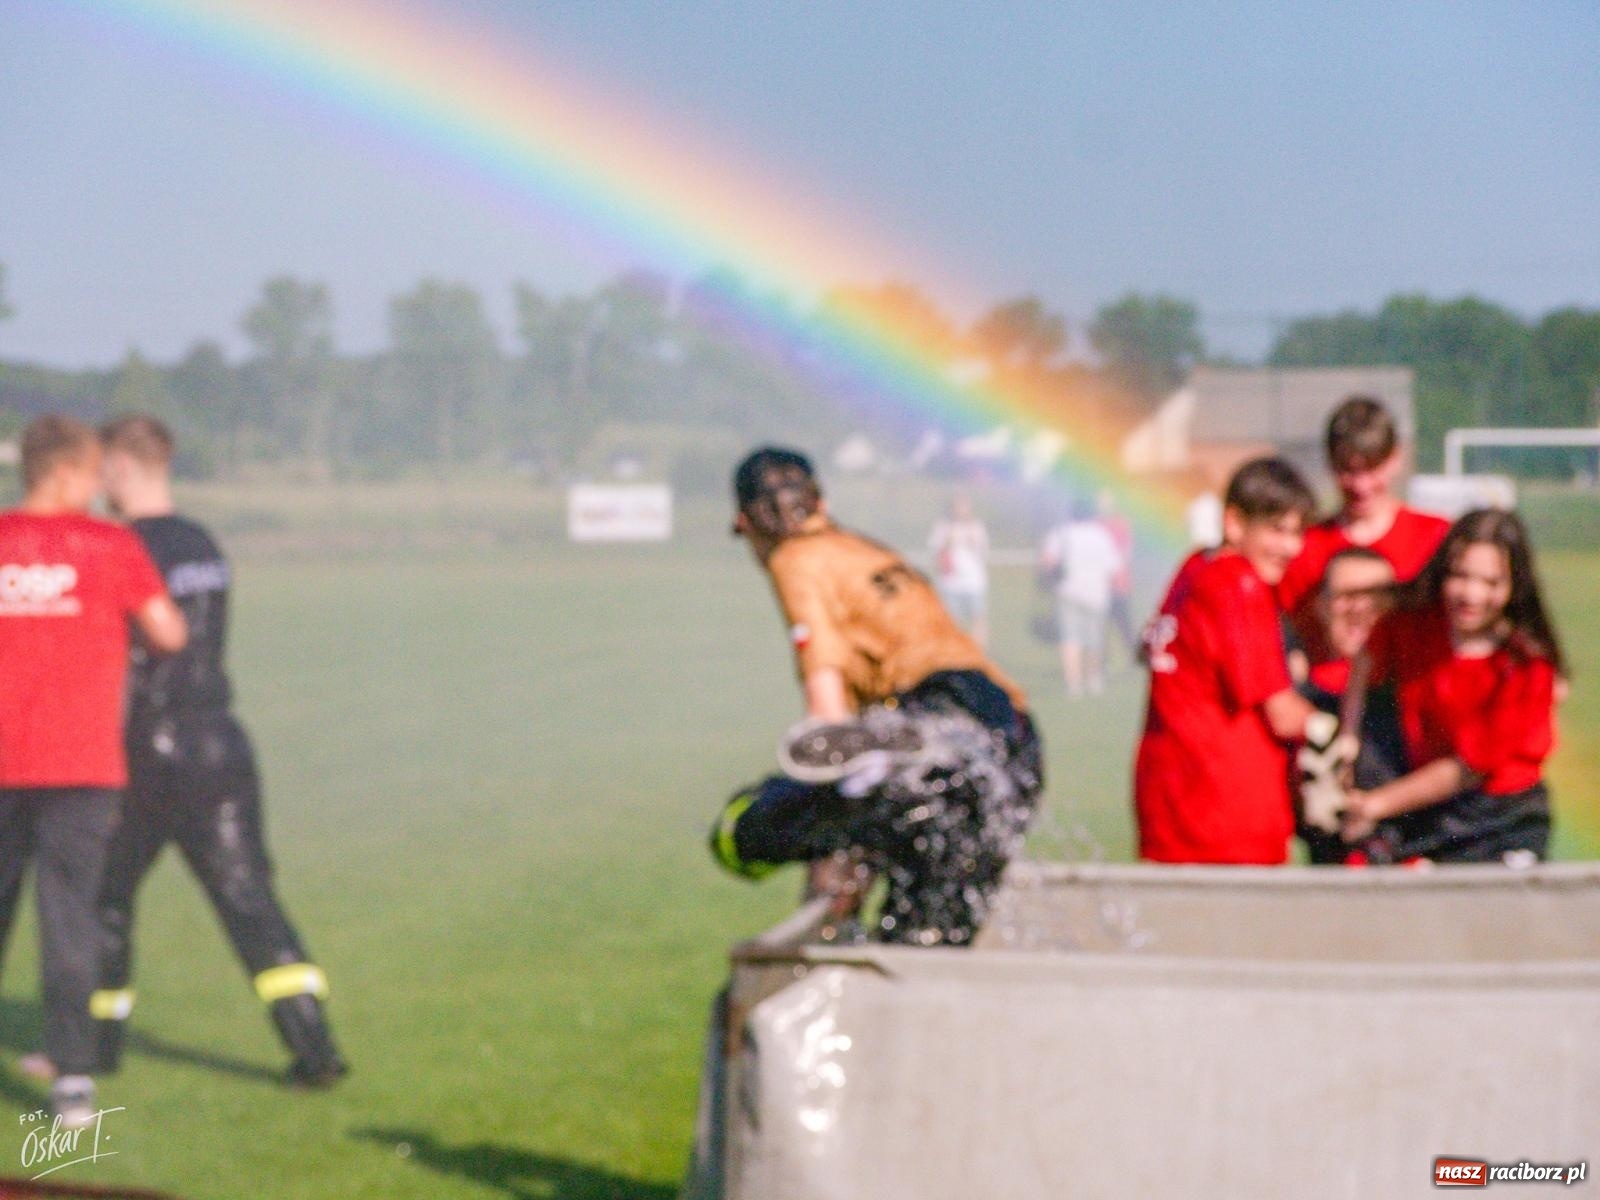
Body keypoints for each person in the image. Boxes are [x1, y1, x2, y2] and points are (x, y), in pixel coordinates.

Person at [89, 414, 347, 1088]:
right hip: (220, 744)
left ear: (118, 467)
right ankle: (316, 1050)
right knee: (249, 898)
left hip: (146, 749)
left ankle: (95, 1051)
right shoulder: (204, 541)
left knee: (103, 898)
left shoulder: (120, 546)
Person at [708, 447, 1042, 946]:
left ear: (745, 522)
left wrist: (831, 749)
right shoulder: (869, 551)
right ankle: (896, 760)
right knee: (923, 938)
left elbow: (825, 692)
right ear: (819, 500)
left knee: (739, 833)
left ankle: (891, 756)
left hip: (935, 710)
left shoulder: (794, 556)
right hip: (1012, 739)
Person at [0, 415, 186, 1128]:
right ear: (74, 472)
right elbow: (168, 631)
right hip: (80, 766)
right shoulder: (110, 543)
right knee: (69, 922)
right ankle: (72, 1079)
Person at [1134, 457, 1344, 865]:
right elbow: (1282, 713)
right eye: (1277, 530)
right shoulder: (1240, 583)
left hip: (1168, 802)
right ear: (1234, 523)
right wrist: (1339, 731)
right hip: (1224, 814)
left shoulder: (1195, 566)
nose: (1292, 547)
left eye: (1298, 531)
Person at [1339, 509, 1563, 864]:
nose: (1471, 595)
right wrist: (1347, 741)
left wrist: (1374, 805)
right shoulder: (1415, 625)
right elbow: (1366, 660)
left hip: (1500, 818)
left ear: (1514, 586)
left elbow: (1465, 769)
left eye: (1491, 583)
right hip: (1422, 804)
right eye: (1461, 576)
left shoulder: (1525, 666)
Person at [1277, 395, 1450, 663]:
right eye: (1347, 471)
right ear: (1330, 464)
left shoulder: (1436, 538)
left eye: (1372, 469)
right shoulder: (1301, 546)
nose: (1361, 485)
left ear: (1396, 459)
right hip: (1321, 699)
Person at [1292, 548, 1407, 864]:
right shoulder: (1298, 703)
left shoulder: (1416, 696)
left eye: (1374, 596)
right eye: (1344, 595)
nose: (1359, 608)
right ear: (1321, 606)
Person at [1039, 497, 1123, 696]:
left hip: (1067, 590)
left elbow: (1048, 561)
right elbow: (1114, 566)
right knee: (1094, 638)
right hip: (1096, 593)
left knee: (1070, 638)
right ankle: (1093, 679)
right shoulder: (1102, 535)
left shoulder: (1061, 532)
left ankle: (1073, 682)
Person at [927, 493, 990, 648]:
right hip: (951, 582)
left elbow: (984, 551)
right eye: (958, 506)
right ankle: (955, 652)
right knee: (952, 621)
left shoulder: (976, 527)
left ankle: (978, 652)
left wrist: (972, 539)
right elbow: (935, 552)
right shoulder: (942, 527)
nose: (961, 510)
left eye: (965, 506)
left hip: (974, 582)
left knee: (978, 617)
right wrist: (948, 539)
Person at [1096, 489, 1140, 669]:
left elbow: (1127, 551)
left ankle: (1135, 659)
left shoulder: (1121, 523)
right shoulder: (1097, 524)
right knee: (1102, 627)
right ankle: (1102, 662)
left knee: (1124, 624)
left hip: (1118, 583)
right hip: (1100, 585)